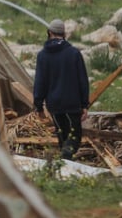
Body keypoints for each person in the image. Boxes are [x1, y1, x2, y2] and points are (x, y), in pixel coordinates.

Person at [32, 18, 90, 160]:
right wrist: (84, 105)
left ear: (49, 32)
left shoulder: (42, 56)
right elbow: (83, 80)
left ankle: (62, 165)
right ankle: (65, 160)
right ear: (63, 34)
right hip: (72, 104)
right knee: (73, 137)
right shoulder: (74, 53)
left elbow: (40, 82)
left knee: (63, 136)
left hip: (54, 105)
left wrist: (38, 106)